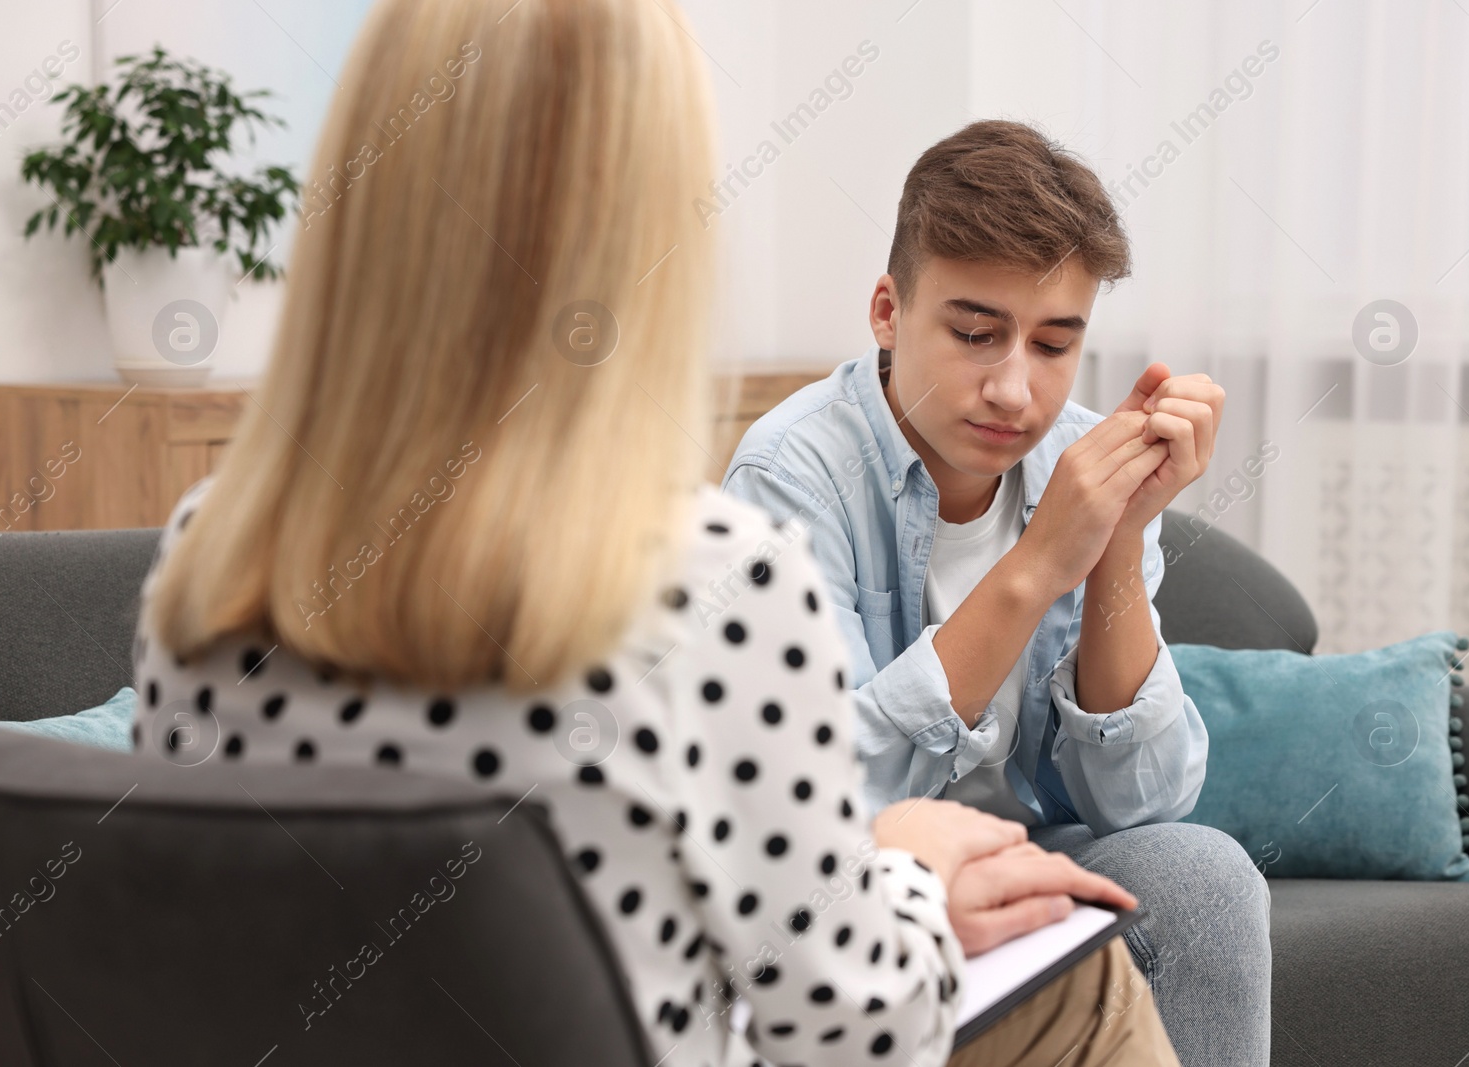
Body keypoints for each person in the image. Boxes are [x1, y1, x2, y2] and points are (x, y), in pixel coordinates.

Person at [129, 1, 1179, 1065]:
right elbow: (849, 1029)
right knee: (1082, 986)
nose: (1013, 382)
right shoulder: (712, 582)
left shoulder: (207, 556)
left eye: (1053, 341)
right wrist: (902, 863)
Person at [722, 120, 1271, 1066]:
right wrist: (1034, 568)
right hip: (845, 879)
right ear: (888, 312)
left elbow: (1142, 805)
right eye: (976, 333)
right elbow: (824, 798)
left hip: (1027, 857)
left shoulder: (1078, 459)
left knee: (1205, 875)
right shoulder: (791, 476)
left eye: (1055, 344)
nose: (1015, 390)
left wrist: (1120, 542)